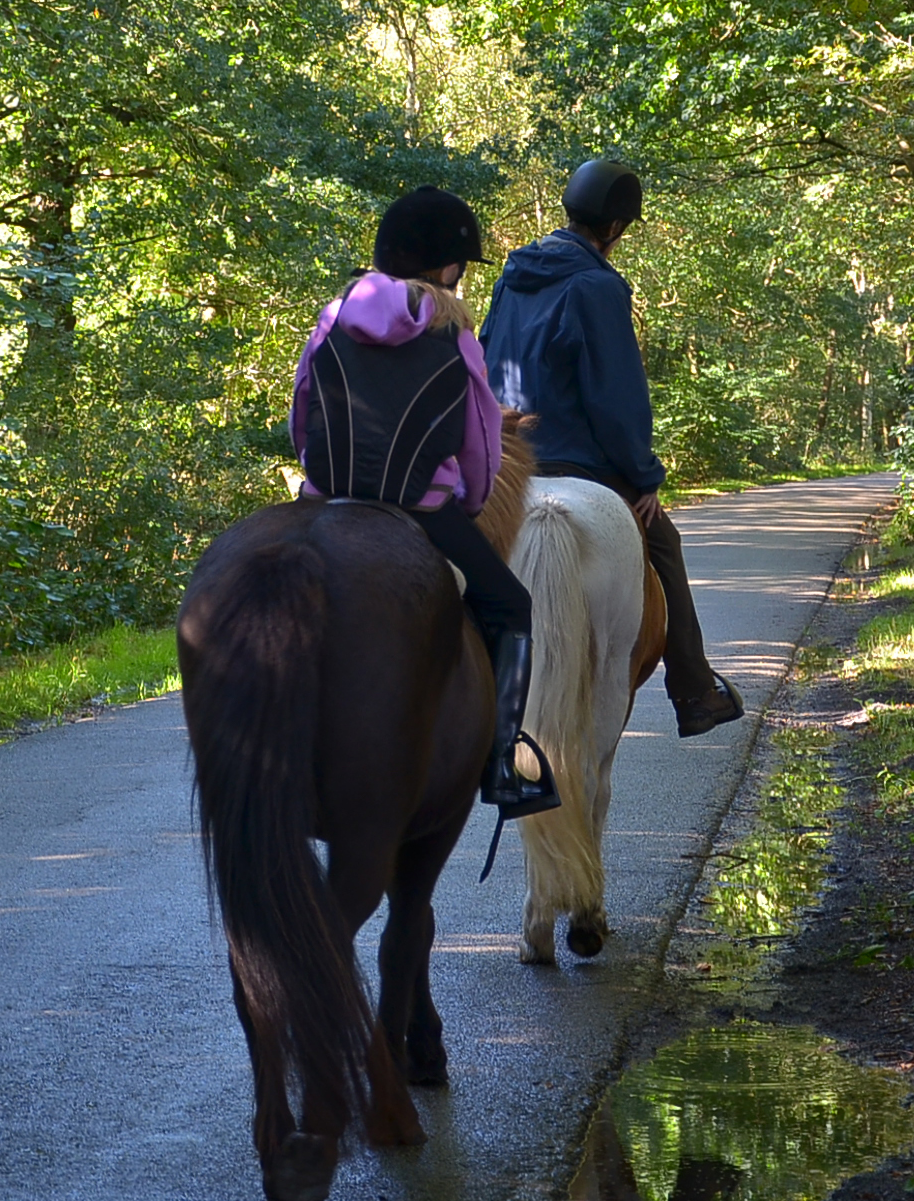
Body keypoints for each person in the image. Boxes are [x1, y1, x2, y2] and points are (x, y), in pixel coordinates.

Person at [290, 186, 558, 817]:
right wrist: (471, 501)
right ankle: (501, 763)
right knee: (511, 606)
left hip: (326, 496)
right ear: (447, 267)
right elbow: (482, 443)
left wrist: (319, 479)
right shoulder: (454, 332)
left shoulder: (333, 316)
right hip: (423, 506)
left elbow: (302, 411)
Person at [479, 160, 746, 739]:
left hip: (504, 461)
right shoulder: (598, 286)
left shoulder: (512, 275)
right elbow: (614, 395)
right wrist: (644, 475)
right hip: (579, 460)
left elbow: (483, 356)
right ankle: (695, 689)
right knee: (664, 544)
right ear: (617, 226)